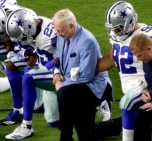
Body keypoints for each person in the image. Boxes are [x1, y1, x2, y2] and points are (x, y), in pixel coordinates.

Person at [96, 1, 152, 141]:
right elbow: (112, 58)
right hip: (132, 99)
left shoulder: (147, 36)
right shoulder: (117, 37)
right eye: (113, 28)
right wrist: (87, 69)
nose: (115, 31)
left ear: (130, 22)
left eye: (119, 28)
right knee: (94, 131)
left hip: (147, 95)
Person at [52, 9, 112, 141]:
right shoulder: (62, 36)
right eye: (56, 30)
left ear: (71, 26)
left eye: (60, 31)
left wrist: (62, 85)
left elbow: (87, 75)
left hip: (93, 85)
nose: (58, 34)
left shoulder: (87, 41)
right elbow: (58, 57)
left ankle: (65, 134)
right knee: (84, 128)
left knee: (64, 95)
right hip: (74, 85)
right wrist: (57, 73)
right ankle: (67, 134)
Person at [4, 8, 60, 140]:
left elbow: (67, 56)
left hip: (63, 73)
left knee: (29, 76)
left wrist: (50, 65)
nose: (20, 41)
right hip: (47, 69)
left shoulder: (51, 34)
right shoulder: (32, 23)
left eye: (22, 37)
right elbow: (32, 53)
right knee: (54, 122)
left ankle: (26, 126)